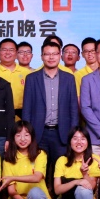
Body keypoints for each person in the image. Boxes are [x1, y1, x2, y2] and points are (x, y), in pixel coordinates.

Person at [21, 38, 79, 179]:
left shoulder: (69, 78)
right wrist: (27, 134)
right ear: (42, 56)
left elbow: (73, 108)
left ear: (60, 55)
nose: (51, 57)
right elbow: (27, 108)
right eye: (47, 54)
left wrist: (73, 134)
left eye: (54, 54)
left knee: (61, 172)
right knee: (38, 171)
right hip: (38, 133)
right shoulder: (32, 78)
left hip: (62, 133)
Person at [47, 125, 100, 199]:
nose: (79, 142)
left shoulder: (94, 159)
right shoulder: (62, 160)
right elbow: (57, 189)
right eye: (75, 138)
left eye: (83, 138)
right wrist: (76, 181)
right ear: (70, 142)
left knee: (83, 189)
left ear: (88, 142)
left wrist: (85, 174)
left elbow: (91, 187)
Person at [3, 122, 50, 199]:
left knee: (35, 192)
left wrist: (14, 178)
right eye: (18, 135)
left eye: (26, 135)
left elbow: (37, 177)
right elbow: (11, 191)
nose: (22, 139)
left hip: (40, 198)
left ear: (32, 137)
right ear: (13, 138)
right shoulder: (8, 159)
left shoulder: (40, 154)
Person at [0, 38, 30, 115]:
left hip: (22, 115)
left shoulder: (27, 73)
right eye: (4, 50)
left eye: (11, 50)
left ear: (16, 53)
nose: (8, 53)